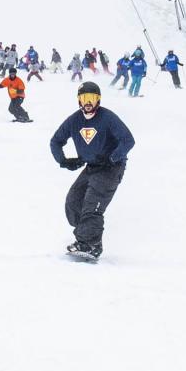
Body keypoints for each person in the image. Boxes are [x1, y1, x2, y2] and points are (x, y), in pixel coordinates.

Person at [50, 81, 136, 260]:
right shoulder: (74, 120)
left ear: (98, 100)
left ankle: (90, 244)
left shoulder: (108, 118)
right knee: (73, 202)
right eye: (84, 98)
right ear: (79, 100)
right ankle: (86, 237)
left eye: (92, 98)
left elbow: (128, 140)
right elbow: (56, 141)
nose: (88, 102)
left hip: (111, 168)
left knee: (92, 205)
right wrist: (64, 161)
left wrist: (113, 157)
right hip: (92, 166)